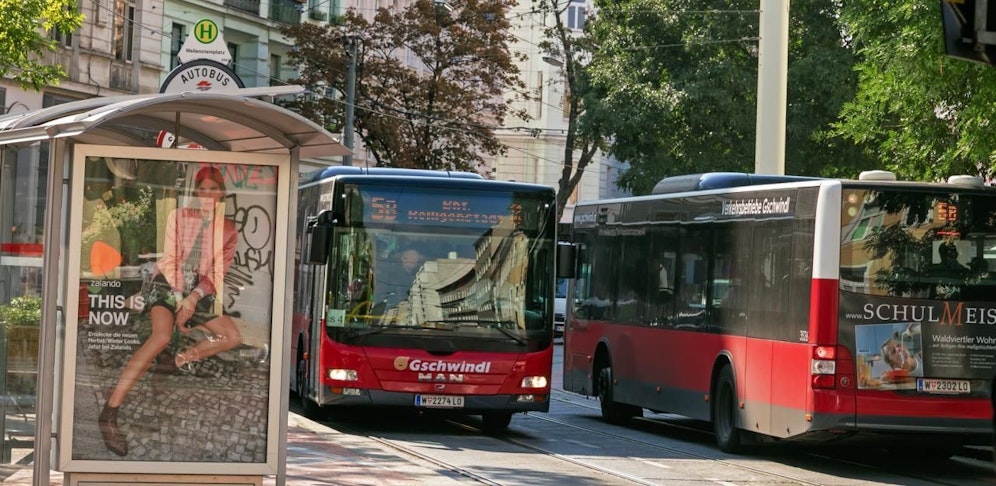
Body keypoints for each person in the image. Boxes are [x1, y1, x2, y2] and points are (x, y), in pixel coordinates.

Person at [98, 165, 241, 456]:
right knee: (161, 336)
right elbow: (172, 259)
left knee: (231, 337)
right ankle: (110, 412)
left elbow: (216, 273)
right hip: (166, 284)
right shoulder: (180, 216)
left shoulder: (227, 229)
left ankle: (174, 362)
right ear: (196, 192)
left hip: (196, 293)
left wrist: (192, 299)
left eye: (213, 190)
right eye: (202, 189)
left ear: (221, 193)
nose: (207, 195)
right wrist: (179, 300)